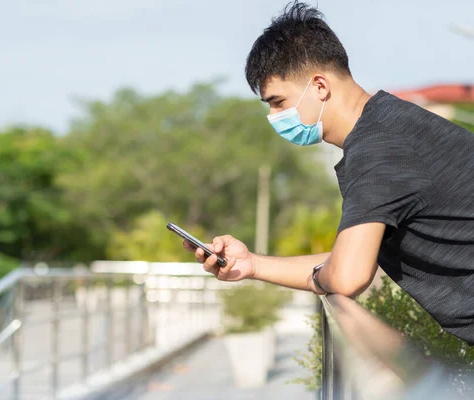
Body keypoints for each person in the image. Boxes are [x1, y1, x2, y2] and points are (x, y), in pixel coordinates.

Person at [183, 1, 474, 345]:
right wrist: (252, 265)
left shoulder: (378, 149)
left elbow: (348, 275)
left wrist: (323, 280)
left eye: (277, 102)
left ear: (319, 86)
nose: (275, 116)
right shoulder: (391, 126)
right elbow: (347, 259)